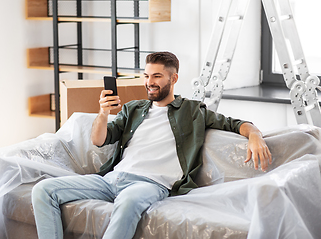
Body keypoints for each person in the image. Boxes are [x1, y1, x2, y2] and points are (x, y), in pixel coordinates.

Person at [32, 51, 272, 239]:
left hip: (150, 184)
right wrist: (104, 112)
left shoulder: (192, 110)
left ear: (173, 78)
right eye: (147, 76)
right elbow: (98, 140)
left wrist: (255, 136)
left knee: (127, 202)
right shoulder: (133, 109)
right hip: (112, 180)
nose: (150, 82)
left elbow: (236, 124)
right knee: (42, 190)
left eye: (157, 76)